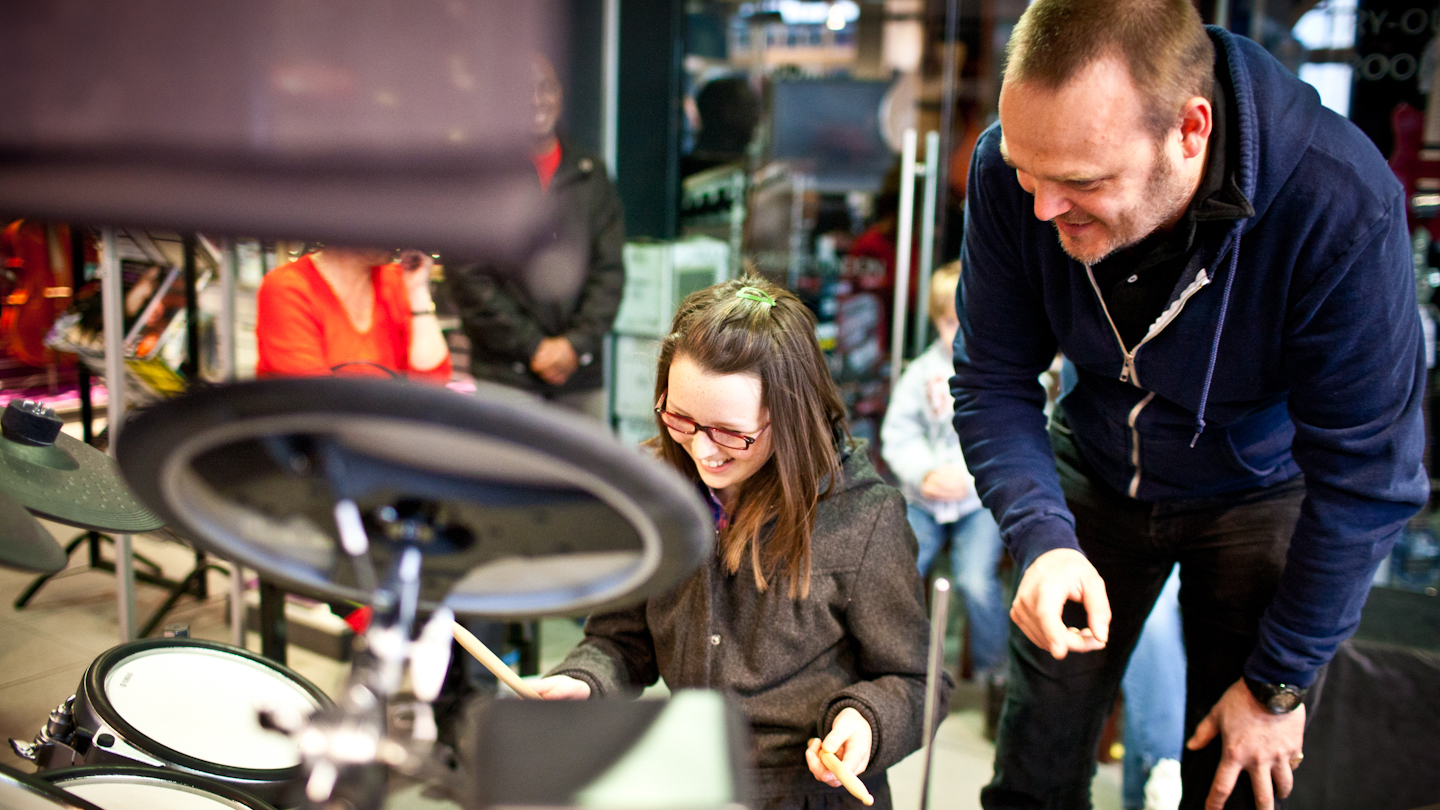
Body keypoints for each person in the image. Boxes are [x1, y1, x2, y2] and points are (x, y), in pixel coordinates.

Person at [952, 2, 1428, 809]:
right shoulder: (1015, 166)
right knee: (1034, 763)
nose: (1042, 209)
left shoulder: (1338, 203)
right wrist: (1040, 539)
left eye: (1081, 183)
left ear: (1190, 131)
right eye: (1030, 178)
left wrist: (1280, 683)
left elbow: (1368, 478)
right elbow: (993, 377)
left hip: (1256, 484)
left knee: (1238, 771)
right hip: (1096, 462)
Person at [534, 276, 950, 810]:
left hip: (805, 792)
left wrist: (865, 720)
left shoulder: (862, 518)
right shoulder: (654, 490)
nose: (703, 452)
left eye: (731, 433)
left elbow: (918, 678)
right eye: (681, 419)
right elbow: (621, 639)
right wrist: (585, 680)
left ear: (793, 417)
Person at [445, 53, 624, 419]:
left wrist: (574, 346)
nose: (536, 100)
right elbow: (466, 275)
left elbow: (609, 272)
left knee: (581, 477)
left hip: (579, 379)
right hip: (503, 378)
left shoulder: (591, 174)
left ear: (560, 93)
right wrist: (533, 346)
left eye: (546, 87)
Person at [881, 263, 1007, 681]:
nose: (959, 333)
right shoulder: (919, 374)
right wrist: (925, 473)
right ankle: (896, 664)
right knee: (900, 572)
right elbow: (899, 435)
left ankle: (995, 675)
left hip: (978, 502)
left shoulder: (1004, 373)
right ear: (936, 321)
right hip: (925, 499)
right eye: (950, 322)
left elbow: (1013, 441)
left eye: (967, 322)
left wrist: (970, 478)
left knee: (975, 581)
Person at [255, 246, 451, 381]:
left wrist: (418, 291)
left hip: (383, 431)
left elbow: (434, 383)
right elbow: (315, 403)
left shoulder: (397, 280)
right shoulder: (288, 288)